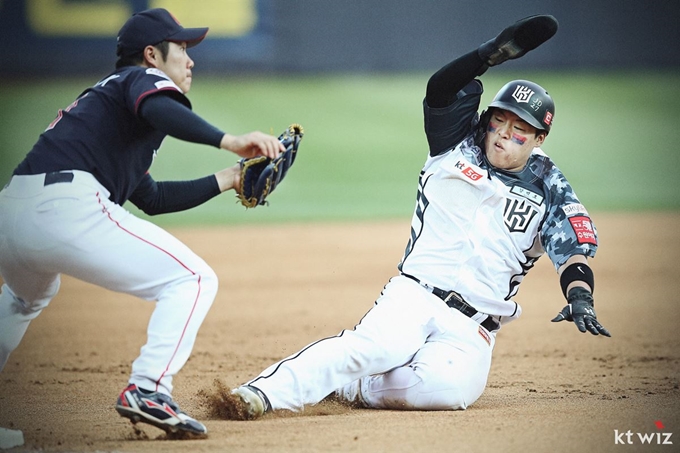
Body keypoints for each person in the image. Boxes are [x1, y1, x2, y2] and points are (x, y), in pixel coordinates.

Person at [213, 15, 610, 419]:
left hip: (473, 327)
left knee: (447, 391)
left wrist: (580, 296)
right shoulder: (456, 141)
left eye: (520, 128)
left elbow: (574, 251)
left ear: (540, 139)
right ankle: (258, 394)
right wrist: (486, 55)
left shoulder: (550, 188)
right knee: (373, 348)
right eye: (499, 120)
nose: (504, 133)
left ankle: (357, 386)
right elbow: (439, 89)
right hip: (415, 295)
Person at [0, 8, 286, 438]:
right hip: (64, 206)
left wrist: (230, 180)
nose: (190, 61)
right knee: (192, 279)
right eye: (182, 49)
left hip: (15, 212)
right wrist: (228, 142)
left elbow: (151, 199)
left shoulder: (108, 105)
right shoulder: (139, 80)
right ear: (152, 54)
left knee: (24, 299)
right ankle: (149, 389)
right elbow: (160, 107)